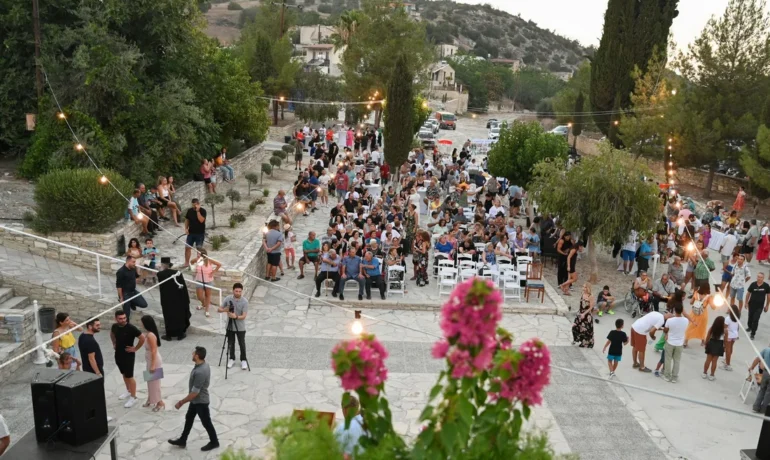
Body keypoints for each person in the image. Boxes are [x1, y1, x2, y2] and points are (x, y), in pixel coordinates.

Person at [168, 346, 219, 452]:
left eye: (193, 353)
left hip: (200, 402)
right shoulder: (202, 365)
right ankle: (183, 440)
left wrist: (181, 402)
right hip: (196, 401)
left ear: (197, 356)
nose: (192, 354)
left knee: (206, 422)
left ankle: (214, 442)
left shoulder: (200, 371)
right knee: (189, 418)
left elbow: (195, 393)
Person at [111, 310, 145, 408]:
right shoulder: (114, 326)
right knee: (124, 374)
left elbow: (142, 338)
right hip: (118, 354)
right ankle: (128, 390)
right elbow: (112, 334)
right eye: (120, 318)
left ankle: (133, 397)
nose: (123, 320)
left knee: (130, 376)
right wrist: (114, 343)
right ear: (116, 318)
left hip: (128, 355)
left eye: (124, 318)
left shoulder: (131, 328)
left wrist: (135, 348)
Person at [157, 257, 191, 340]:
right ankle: (180, 334)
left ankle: (169, 335)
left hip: (166, 299)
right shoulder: (177, 273)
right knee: (178, 315)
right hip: (177, 298)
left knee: (168, 316)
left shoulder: (160, 274)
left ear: (162, 265)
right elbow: (183, 286)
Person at [217, 283, 249, 370]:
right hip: (230, 326)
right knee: (230, 343)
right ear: (233, 290)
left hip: (240, 327)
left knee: (242, 344)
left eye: (240, 291)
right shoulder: (228, 299)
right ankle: (232, 358)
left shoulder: (245, 301)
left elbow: (244, 316)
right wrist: (224, 310)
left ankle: (243, 360)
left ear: (242, 291)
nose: (238, 293)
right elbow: (219, 309)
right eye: (236, 291)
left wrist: (236, 317)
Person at [140, 316, 165, 411]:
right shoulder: (148, 334)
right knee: (150, 381)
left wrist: (153, 365)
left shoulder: (150, 335)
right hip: (149, 360)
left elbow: (154, 350)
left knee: (155, 382)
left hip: (154, 360)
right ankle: (150, 399)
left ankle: (160, 402)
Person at [190, 248, 221, 318]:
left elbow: (219, 264)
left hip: (208, 280)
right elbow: (191, 262)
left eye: (198, 254)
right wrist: (193, 268)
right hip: (199, 280)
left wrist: (214, 272)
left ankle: (207, 309)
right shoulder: (197, 260)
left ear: (203, 255)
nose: (197, 255)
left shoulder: (209, 260)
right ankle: (204, 304)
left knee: (207, 295)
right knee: (199, 296)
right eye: (197, 254)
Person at [116, 256, 148, 321]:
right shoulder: (121, 271)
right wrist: (121, 298)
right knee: (126, 315)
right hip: (125, 294)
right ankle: (126, 327)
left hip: (133, 291)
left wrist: (144, 272)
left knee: (144, 304)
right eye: (133, 262)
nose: (135, 263)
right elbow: (118, 286)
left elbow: (137, 277)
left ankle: (131, 302)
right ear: (128, 261)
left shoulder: (133, 268)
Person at [663, 303, 689, 383]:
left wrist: (667, 334)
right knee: (677, 361)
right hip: (680, 343)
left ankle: (667, 376)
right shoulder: (686, 320)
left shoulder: (670, 320)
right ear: (682, 311)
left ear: (674, 310)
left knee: (668, 360)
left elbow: (665, 330)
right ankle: (674, 377)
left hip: (670, 342)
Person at [685, 283, 715, 347]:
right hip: (703, 314)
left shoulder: (696, 293)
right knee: (702, 327)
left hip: (694, 313)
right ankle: (703, 341)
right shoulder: (709, 297)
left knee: (690, 326)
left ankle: (686, 341)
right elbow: (713, 307)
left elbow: (691, 302)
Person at [702, 315, 726, 381]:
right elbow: (725, 340)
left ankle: (704, 373)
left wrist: (706, 344)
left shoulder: (712, 328)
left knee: (708, 360)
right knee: (714, 361)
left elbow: (708, 336)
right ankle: (712, 375)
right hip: (719, 345)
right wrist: (724, 347)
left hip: (711, 343)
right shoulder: (724, 330)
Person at [184, 199, 207, 267]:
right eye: (193, 205)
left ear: (198, 204)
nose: (194, 206)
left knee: (199, 249)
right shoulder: (190, 210)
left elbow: (201, 220)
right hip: (191, 233)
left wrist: (198, 211)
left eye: (196, 205)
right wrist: (186, 228)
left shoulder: (203, 211)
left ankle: (199, 264)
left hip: (200, 233)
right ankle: (186, 263)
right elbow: (187, 220)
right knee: (187, 248)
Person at [747, 272, 770, 339]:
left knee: (756, 319)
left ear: (763, 278)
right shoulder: (753, 284)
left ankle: (753, 333)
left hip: (759, 306)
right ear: (757, 277)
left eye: (761, 277)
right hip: (751, 304)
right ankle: (749, 327)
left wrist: (767, 305)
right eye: (758, 277)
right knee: (750, 317)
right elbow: (748, 293)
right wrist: (746, 302)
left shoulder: (766, 286)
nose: (759, 278)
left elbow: (768, 296)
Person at [571, 283, 594, 348]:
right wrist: (578, 313)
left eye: (585, 287)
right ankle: (575, 339)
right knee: (574, 326)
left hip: (587, 315)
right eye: (583, 287)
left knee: (586, 330)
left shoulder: (591, 296)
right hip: (580, 313)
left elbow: (591, 307)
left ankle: (585, 342)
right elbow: (580, 304)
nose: (583, 288)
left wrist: (584, 314)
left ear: (588, 288)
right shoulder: (582, 293)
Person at [723, 306, 741, 371]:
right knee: (730, 349)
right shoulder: (737, 318)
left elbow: (725, 329)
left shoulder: (728, 318)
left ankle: (727, 364)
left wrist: (725, 338)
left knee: (727, 350)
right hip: (734, 335)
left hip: (729, 335)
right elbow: (737, 327)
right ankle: (726, 360)